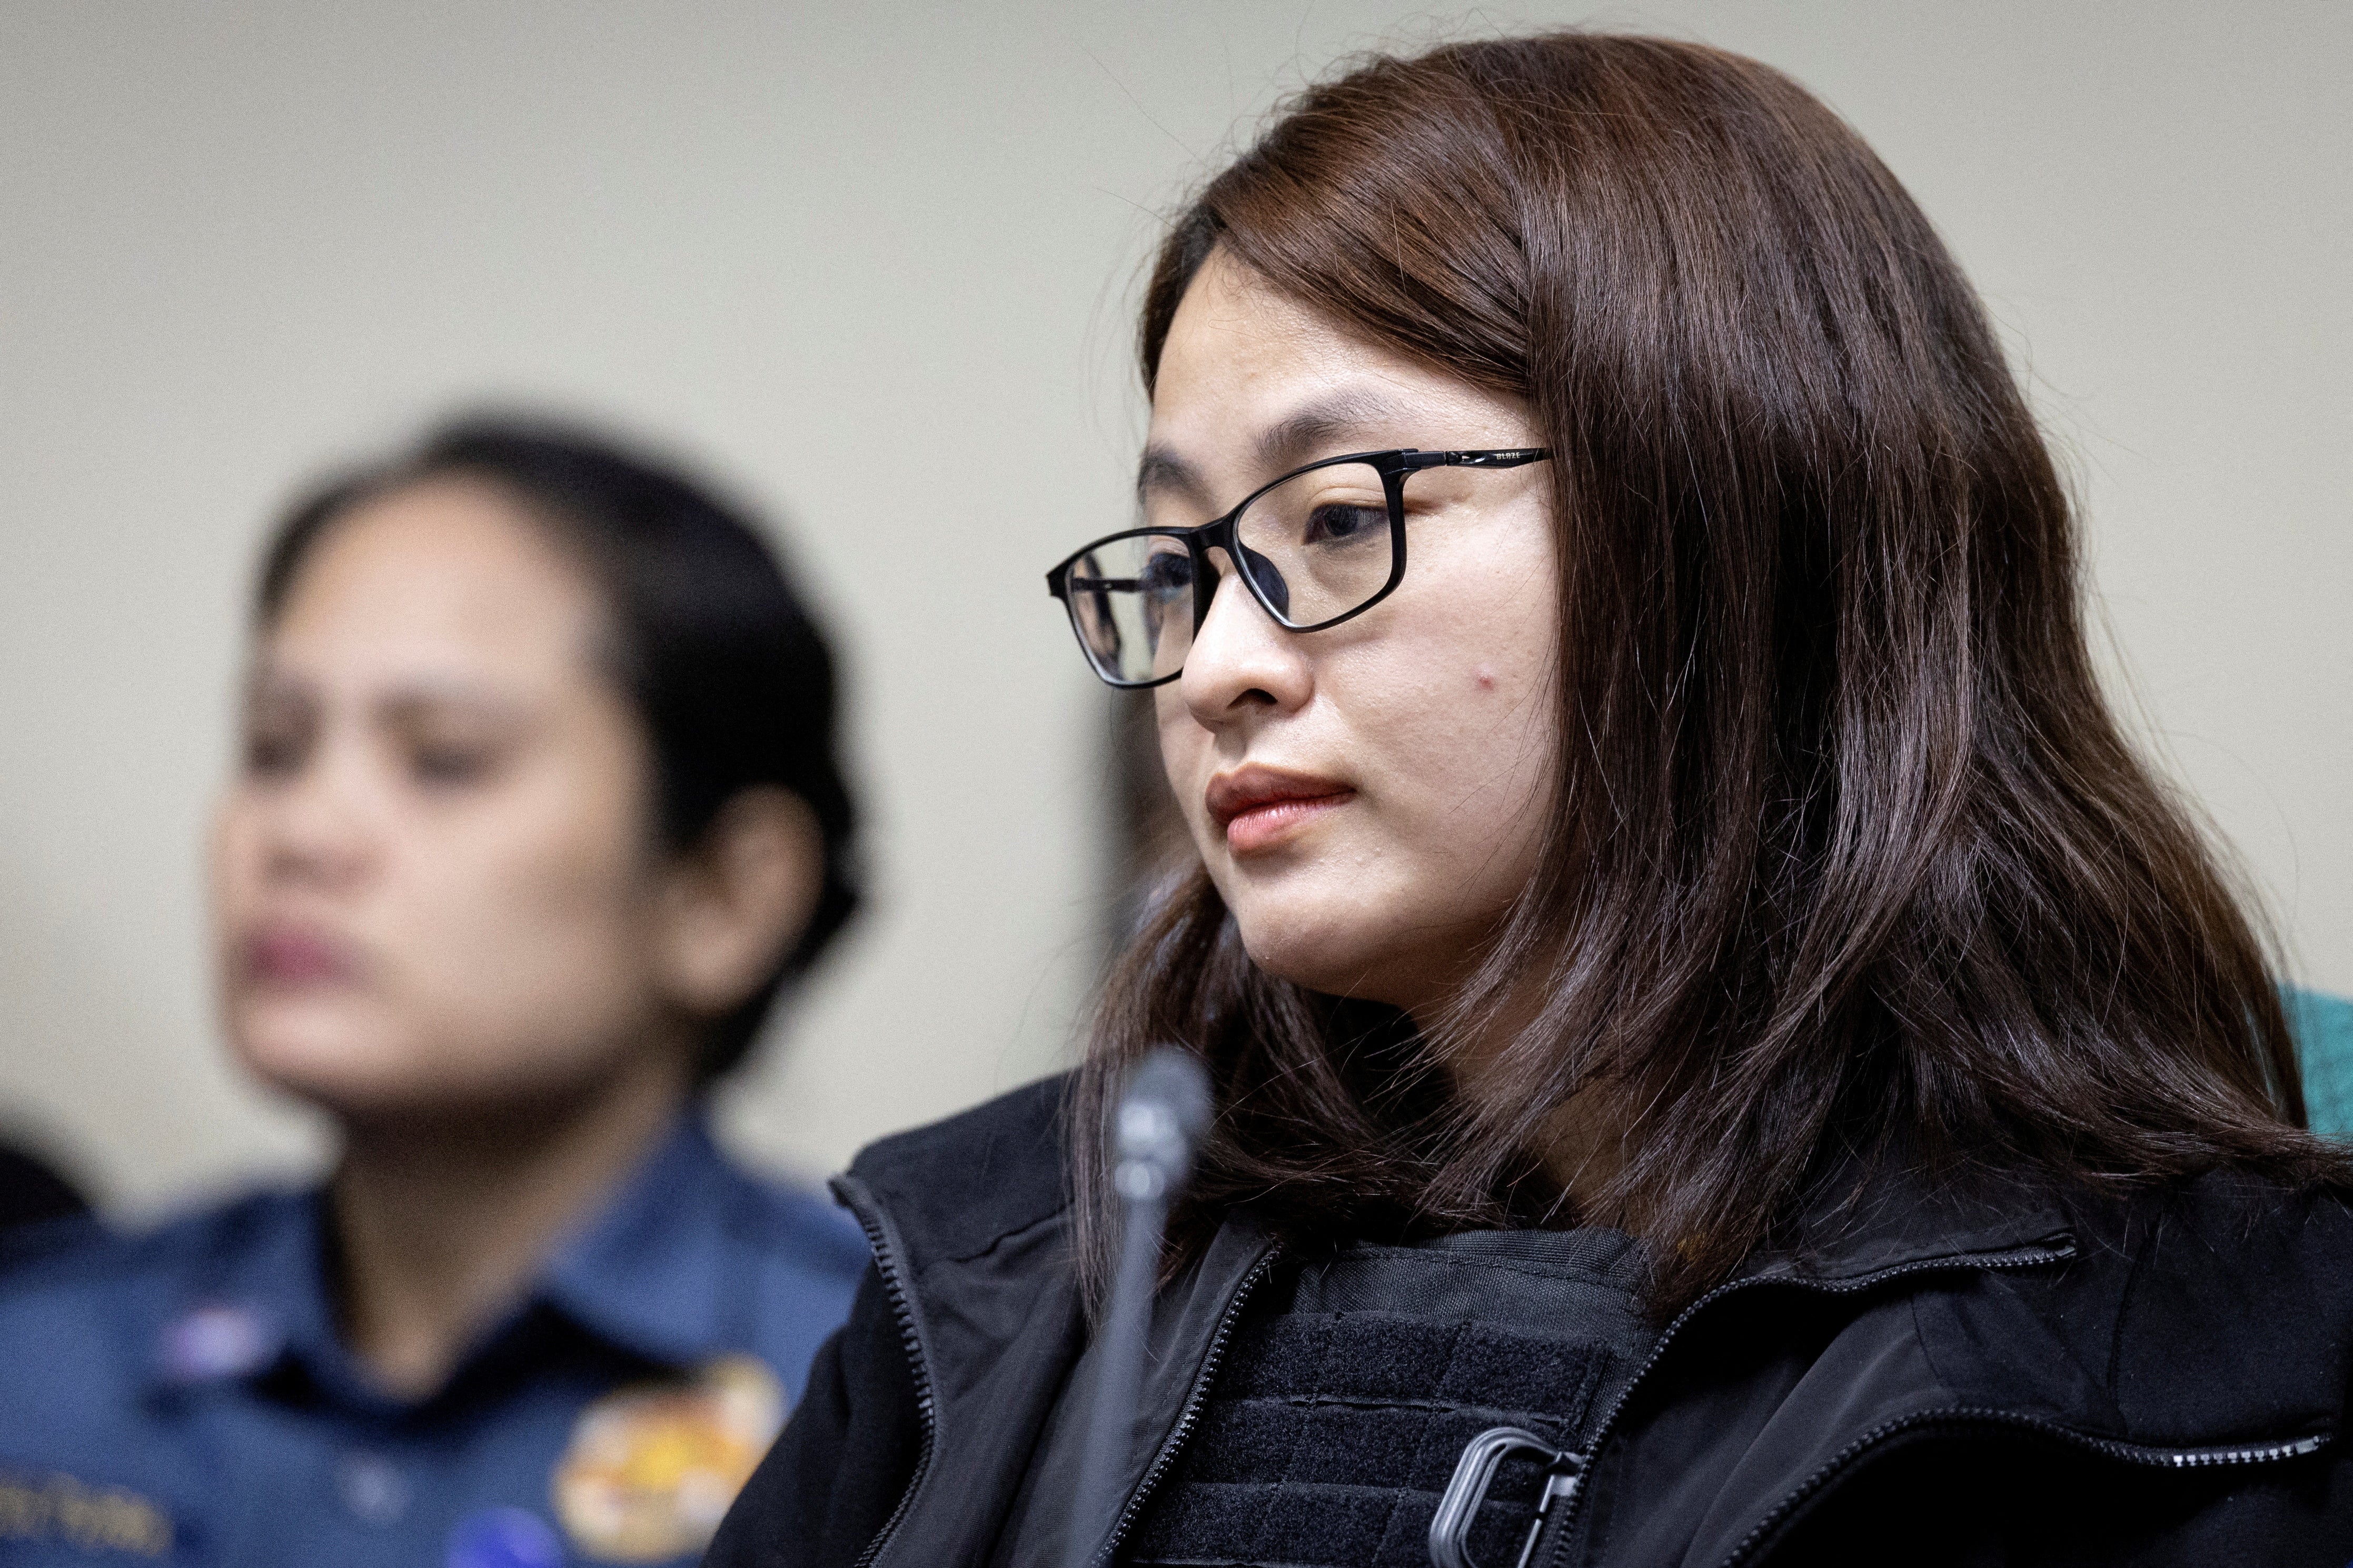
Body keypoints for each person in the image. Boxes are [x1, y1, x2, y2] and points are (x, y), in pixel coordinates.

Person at [706, 33, 2353, 1568]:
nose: (1214, 665)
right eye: (1185, 560)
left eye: (1336, 520)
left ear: (1733, 525)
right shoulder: (994, 1270)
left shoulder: (2250, 1345)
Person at [0, 417, 870, 1567]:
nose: (302, 830)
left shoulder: (892, 1388)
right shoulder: (43, 1360)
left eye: (444, 757)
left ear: (722, 893)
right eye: (275, 745)